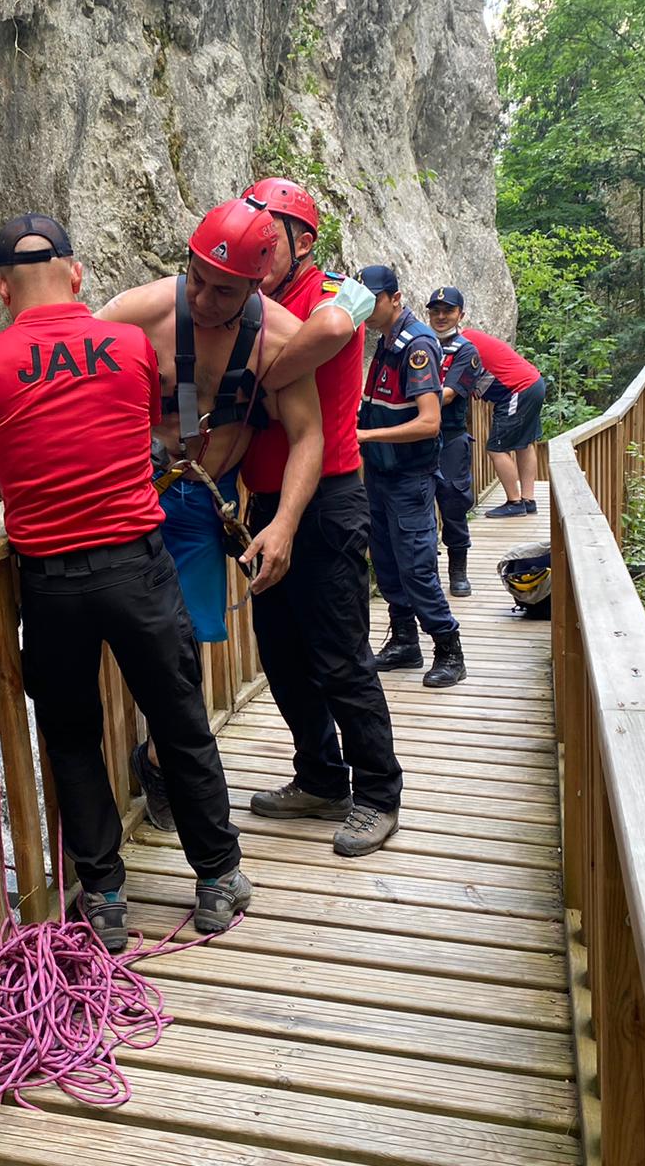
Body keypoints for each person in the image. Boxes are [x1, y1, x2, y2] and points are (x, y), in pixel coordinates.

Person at [0, 213, 250, 950]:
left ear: (0, 287)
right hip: (136, 565)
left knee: (72, 737)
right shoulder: (132, 345)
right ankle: (215, 880)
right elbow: (135, 428)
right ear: (76, 276)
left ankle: (104, 898)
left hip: (50, 583)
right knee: (179, 720)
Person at [94, 197, 325, 830]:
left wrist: (283, 525)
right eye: (196, 277)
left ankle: (164, 758)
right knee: (107, 627)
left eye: (224, 291)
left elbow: (309, 435)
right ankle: (148, 762)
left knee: (187, 638)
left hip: (200, 498)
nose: (203, 297)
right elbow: (71, 384)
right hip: (125, 488)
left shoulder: (277, 337)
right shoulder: (136, 313)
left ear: (256, 283)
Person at [229, 177, 406, 858]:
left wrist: (257, 375)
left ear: (302, 242)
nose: (257, 247)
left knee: (339, 655)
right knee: (280, 651)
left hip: (330, 498)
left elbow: (335, 325)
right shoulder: (252, 302)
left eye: (269, 236)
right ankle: (321, 776)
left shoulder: (331, 292)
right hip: (269, 501)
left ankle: (379, 792)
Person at [358, 265, 467, 692]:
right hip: (381, 474)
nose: (367, 308)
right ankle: (405, 642)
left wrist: (365, 434)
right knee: (385, 562)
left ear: (395, 298)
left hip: (409, 477)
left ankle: (449, 650)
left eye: (374, 300)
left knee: (417, 566)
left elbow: (429, 422)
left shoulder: (416, 345)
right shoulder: (385, 343)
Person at [425, 286, 483, 597]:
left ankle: (458, 570)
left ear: (460, 314)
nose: (441, 316)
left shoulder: (466, 352)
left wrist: (411, 399)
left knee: (453, 502)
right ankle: (426, 573)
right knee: (418, 506)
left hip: (450, 438)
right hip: (418, 437)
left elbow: (448, 394)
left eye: (448, 311)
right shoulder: (419, 344)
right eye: (435, 311)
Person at [461, 325, 547, 518]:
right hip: (533, 383)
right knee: (524, 444)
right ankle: (528, 499)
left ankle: (515, 502)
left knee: (496, 448)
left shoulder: (462, 345)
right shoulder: (470, 336)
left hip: (518, 389)